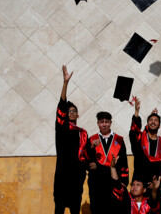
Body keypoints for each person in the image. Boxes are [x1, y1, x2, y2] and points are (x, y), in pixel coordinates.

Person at [54, 65, 92, 214]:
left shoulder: (82, 134)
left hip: (77, 179)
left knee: (75, 209)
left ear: (78, 115)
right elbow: (62, 104)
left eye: (74, 112)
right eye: (69, 112)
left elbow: (86, 156)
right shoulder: (62, 129)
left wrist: (92, 149)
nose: (71, 113)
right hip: (62, 176)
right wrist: (65, 83)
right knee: (59, 209)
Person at [87, 111, 129, 214]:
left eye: (107, 122)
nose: (104, 124)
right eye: (102, 122)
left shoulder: (118, 140)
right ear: (98, 123)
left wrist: (124, 181)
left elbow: (123, 163)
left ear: (110, 122)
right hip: (97, 183)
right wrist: (91, 148)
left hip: (114, 181)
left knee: (115, 209)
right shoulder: (92, 140)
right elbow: (86, 161)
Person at [129, 96, 161, 188]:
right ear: (147, 123)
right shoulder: (140, 138)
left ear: (159, 125)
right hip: (139, 183)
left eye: (156, 120)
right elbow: (133, 132)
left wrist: (157, 182)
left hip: (157, 184)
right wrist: (137, 112)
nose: (153, 122)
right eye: (150, 120)